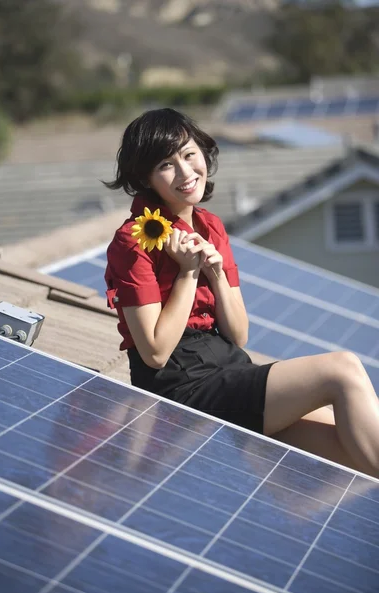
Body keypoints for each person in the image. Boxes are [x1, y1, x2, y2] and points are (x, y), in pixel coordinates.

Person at [105, 108, 379, 478]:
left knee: (348, 451)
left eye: (189, 155)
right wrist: (188, 272)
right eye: (166, 165)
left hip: (228, 365)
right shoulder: (133, 240)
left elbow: (239, 334)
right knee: (342, 370)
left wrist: (215, 273)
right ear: (146, 178)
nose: (186, 173)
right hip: (183, 386)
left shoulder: (210, 226)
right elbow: (154, 352)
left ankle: (292, 516)